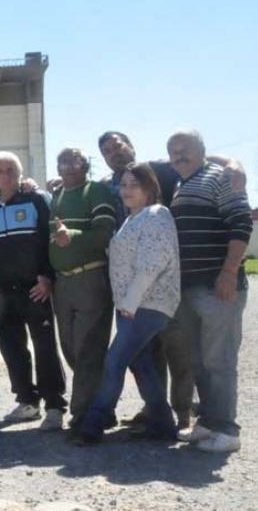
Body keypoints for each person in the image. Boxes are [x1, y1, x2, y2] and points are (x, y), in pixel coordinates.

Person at [97, 130, 245, 430]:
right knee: (152, 357)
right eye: (107, 151)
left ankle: (186, 415)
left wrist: (234, 162)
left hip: (174, 283)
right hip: (153, 287)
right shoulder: (109, 186)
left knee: (187, 354)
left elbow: (198, 160)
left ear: (132, 145)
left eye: (118, 146)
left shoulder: (162, 169)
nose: (114, 152)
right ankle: (159, 413)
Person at [73, 163, 180, 445]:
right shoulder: (132, 219)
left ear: (150, 188)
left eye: (135, 184)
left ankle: (93, 425)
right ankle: (164, 425)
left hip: (147, 305)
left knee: (114, 361)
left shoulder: (157, 215)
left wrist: (131, 303)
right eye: (124, 185)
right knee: (141, 366)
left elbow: (151, 264)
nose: (128, 190)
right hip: (130, 306)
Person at [167, 130, 252, 454]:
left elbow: (241, 223)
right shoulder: (180, 184)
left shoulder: (221, 177)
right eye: (173, 151)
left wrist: (229, 271)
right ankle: (208, 423)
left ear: (203, 151)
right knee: (197, 360)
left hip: (219, 287)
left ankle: (227, 431)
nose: (178, 156)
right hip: (188, 289)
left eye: (185, 149)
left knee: (219, 360)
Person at [0, 152, 67, 430]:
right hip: (2, 292)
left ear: (19, 174)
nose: (5, 175)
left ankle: (54, 405)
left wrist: (47, 277)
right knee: (12, 348)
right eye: (0, 170)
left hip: (34, 288)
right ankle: (27, 402)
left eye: (10, 170)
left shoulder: (35, 199)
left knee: (44, 347)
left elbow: (48, 238)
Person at [50, 147, 117, 433]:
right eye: (63, 161)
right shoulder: (57, 196)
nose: (68, 166)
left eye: (74, 161)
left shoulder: (97, 192)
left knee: (88, 348)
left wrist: (74, 236)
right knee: (70, 348)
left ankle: (82, 416)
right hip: (61, 283)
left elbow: (104, 233)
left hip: (90, 278)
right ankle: (102, 406)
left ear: (85, 165)